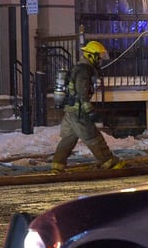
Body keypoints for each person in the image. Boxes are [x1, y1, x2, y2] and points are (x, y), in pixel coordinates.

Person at [51, 41, 125, 173]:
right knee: (93, 137)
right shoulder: (84, 71)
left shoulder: (81, 68)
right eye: (99, 57)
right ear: (92, 56)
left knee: (68, 139)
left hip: (71, 110)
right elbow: (82, 92)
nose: (100, 61)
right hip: (78, 111)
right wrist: (90, 111)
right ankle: (108, 162)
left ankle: (57, 165)